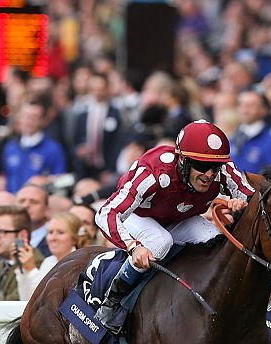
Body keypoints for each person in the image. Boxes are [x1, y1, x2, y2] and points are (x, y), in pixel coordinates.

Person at [94, 120, 253, 331]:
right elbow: (106, 212)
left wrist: (240, 206)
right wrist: (133, 246)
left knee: (217, 241)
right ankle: (112, 301)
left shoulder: (222, 170)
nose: (209, 175)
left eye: (215, 168)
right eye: (202, 166)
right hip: (139, 217)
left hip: (179, 218)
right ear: (182, 161)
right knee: (160, 242)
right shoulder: (152, 173)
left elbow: (253, 198)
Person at [17, 212, 89, 300]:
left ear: (74, 238)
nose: (53, 238)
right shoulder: (48, 261)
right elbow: (27, 300)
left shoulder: (81, 264)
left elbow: (47, 299)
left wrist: (31, 270)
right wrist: (25, 270)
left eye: (60, 232)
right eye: (50, 232)